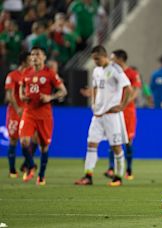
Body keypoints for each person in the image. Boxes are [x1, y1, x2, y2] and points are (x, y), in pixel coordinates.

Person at [74, 45, 133, 187]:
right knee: (91, 144)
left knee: (116, 147)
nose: (96, 62)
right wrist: (94, 103)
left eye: (97, 59)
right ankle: (88, 176)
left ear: (104, 56)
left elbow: (128, 88)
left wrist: (122, 106)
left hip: (112, 116)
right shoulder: (96, 71)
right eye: (94, 59)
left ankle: (118, 177)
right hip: (98, 116)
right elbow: (94, 87)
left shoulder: (115, 70)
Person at [19, 46, 67, 185]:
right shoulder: (26, 72)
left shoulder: (50, 73)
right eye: (32, 54)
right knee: (24, 142)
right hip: (29, 112)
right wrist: (23, 96)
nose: (34, 57)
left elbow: (63, 91)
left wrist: (49, 97)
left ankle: (41, 175)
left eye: (38, 54)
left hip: (44, 114)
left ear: (44, 57)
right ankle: (31, 166)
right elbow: (22, 87)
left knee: (44, 146)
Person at [103, 49, 141, 180]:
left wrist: (123, 104)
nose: (111, 61)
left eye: (113, 59)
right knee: (113, 139)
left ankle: (129, 170)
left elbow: (135, 91)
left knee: (128, 141)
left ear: (120, 59)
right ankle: (111, 168)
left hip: (127, 111)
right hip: (113, 110)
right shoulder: (110, 72)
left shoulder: (132, 73)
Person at [4, 51, 33, 178]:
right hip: (15, 112)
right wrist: (17, 109)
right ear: (24, 62)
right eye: (30, 60)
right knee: (13, 139)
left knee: (27, 140)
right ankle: (12, 169)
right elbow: (9, 96)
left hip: (28, 112)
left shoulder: (31, 75)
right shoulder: (12, 75)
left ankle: (28, 164)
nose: (32, 62)